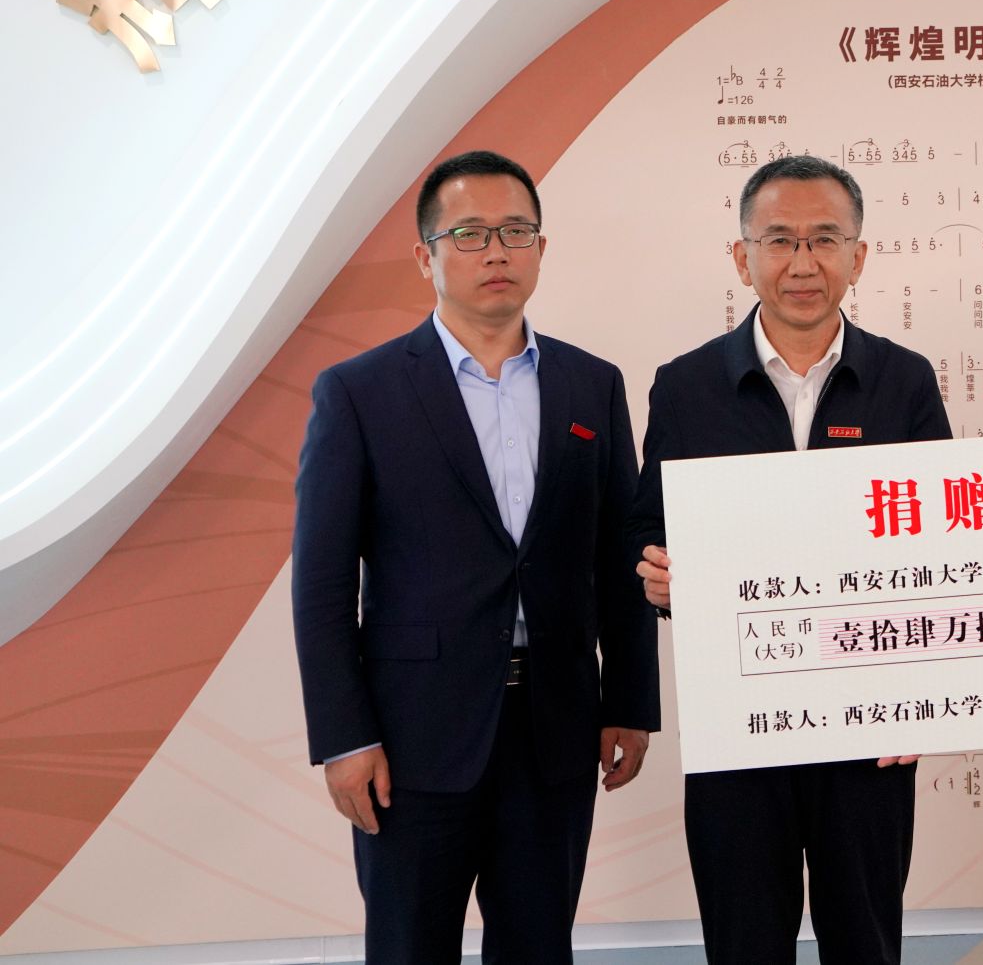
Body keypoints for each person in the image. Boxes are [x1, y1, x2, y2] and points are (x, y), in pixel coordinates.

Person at [291, 149, 659, 963]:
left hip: (556, 726)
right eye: (469, 233)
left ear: (540, 248)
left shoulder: (591, 385)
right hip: (412, 737)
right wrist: (343, 736)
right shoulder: (359, 392)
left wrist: (630, 699)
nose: (497, 250)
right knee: (409, 946)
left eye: (516, 231)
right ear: (426, 256)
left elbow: (619, 556)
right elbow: (321, 586)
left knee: (538, 946)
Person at [630, 154, 948, 965]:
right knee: (744, 943)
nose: (803, 262)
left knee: (866, 942)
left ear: (858, 256)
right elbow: (648, 533)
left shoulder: (905, 382)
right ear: (742, 257)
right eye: (779, 240)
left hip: (870, 729)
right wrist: (658, 577)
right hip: (738, 727)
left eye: (824, 239)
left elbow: (944, 550)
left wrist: (924, 698)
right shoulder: (686, 386)